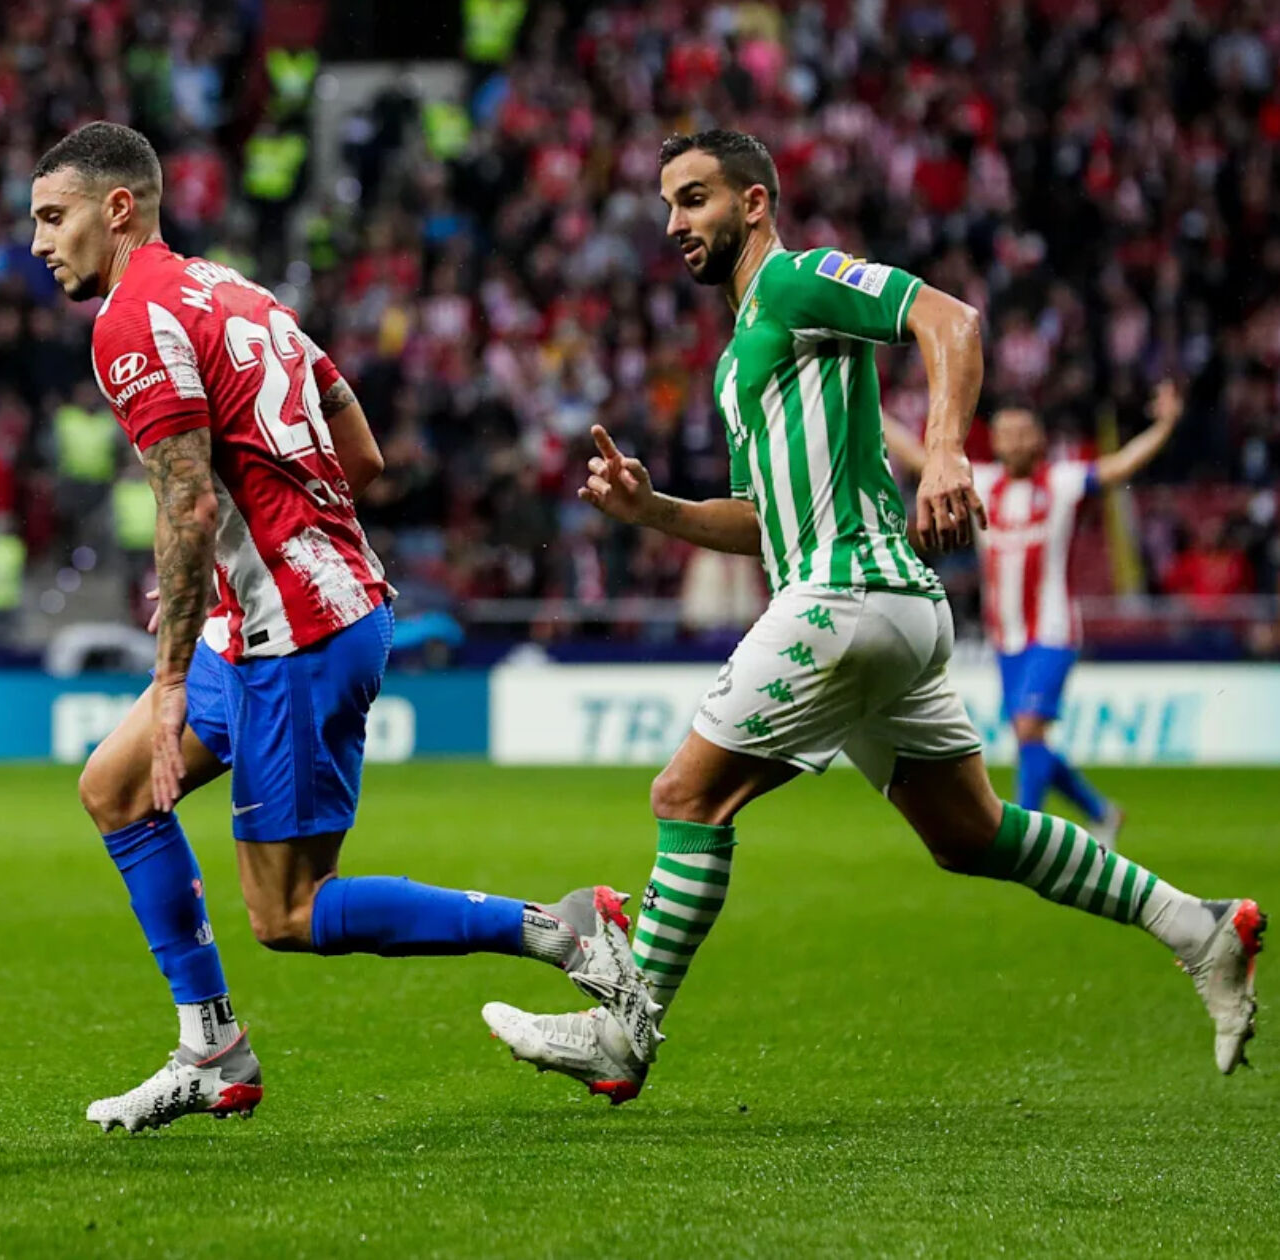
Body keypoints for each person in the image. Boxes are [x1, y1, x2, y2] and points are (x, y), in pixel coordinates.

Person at [482, 131, 1261, 1103]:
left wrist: (947, 450)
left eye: (696, 198)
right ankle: (1201, 928)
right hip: (885, 609)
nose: (676, 222)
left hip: (845, 595)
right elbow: (760, 520)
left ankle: (620, 1034)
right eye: (669, 205)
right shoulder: (736, 362)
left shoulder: (798, 279)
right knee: (970, 834)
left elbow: (950, 318)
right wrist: (655, 512)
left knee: (687, 796)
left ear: (754, 203)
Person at [29, 122, 641, 1133]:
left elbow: (188, 505)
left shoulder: (128, 320)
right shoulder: (235, 291)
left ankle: (561, 931)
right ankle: (211, 1049)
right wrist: (276, 544)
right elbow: (359, 448)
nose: (41, 242)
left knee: (289, 912)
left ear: (118, 207)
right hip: (289, 608)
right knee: (115, 789)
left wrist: (176, 672)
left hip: (294, 634)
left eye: (55, 217)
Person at [885, 385, 1185, 843]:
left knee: (1028, 729)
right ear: (995, 441)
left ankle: (1026, 832)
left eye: (1024, 432)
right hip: (1005, 637)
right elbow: (915, 456)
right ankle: (1102, 812)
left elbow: (1120, 465)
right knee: (1031, 739)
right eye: (1006, 433)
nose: (1015, 441)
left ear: (1039, 438)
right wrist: (870, 406)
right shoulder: (980, 483)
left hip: (1053, 631)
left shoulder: (1062, 483)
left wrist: (1164, 424)